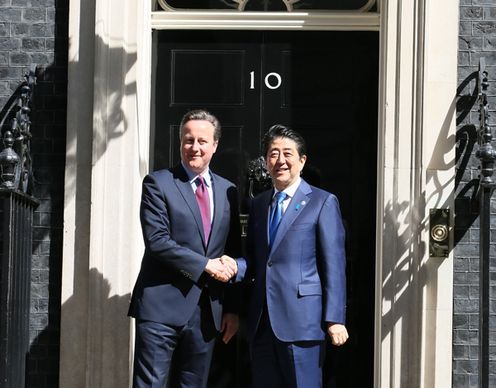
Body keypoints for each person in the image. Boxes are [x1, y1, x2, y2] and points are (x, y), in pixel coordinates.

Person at [224, 124, 349, 388]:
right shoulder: (258, 204)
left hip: (303, 322)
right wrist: (235, 266)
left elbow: (334, 266)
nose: (280, 161)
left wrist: (335, 318)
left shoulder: (322, 202)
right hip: (262, 324)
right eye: (273, 154)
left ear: (302, 161)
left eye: (288, 154)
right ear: (266, 161)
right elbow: (258, 262)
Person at [128, 109, 241, 388]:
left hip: (206, 313)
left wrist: (232, 309)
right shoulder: (158, 183)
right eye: (188, 140)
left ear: (214, 146)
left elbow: (233, 250)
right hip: (160, 309)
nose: (195, 147)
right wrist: (205, 264)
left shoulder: (229, 191)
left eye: (202, 141)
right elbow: (157, 241)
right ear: (180, 143)